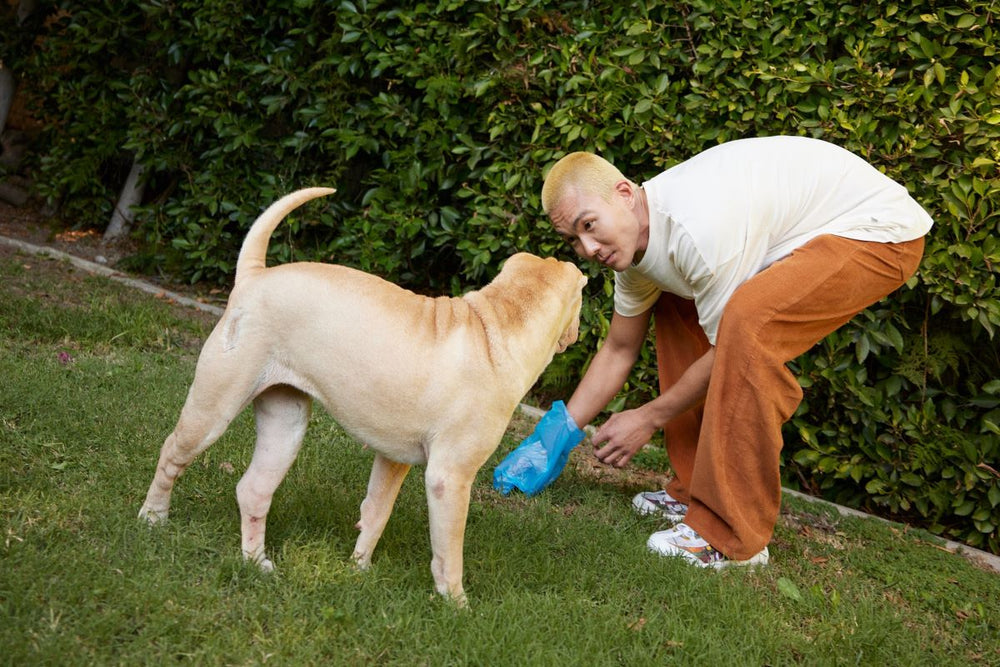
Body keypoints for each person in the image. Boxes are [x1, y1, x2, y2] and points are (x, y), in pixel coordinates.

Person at [533, 135, 933, 568]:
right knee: (675, 304)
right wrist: (555, 434)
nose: (588, 249)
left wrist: (648, 417)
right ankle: (693, 489)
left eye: (589, 225)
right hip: (818, 232)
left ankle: (729, 535)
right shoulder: (636, 251)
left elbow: (728, 350)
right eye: (573, 239)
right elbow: (619, 347)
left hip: (877, 233)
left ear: (625, 194)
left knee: (748, 326)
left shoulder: (698, 229)